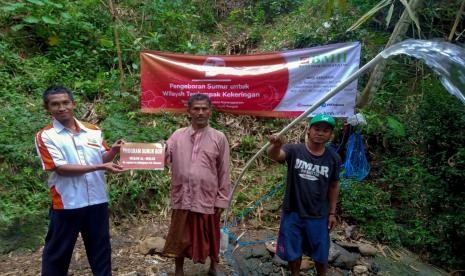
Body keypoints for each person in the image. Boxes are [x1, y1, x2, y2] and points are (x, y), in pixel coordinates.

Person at [35, 85, 125, 276]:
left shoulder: (92, 130)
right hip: (67, 203)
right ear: (47, 108)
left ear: (73, 104)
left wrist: (114, 152)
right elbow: (60, 168)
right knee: (58, 254)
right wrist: (100, 167)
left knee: (100, 250)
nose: (62, 108)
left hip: (97, 200)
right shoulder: (46, 136)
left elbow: (102, 157)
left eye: (66, 102)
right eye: (55, 104)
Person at [163, 93, 231, 276]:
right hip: (182, 195)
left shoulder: (219, 137)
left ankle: (214, 266)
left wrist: (222, 199)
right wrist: (157, 150)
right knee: (180, 235)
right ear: (189, 111)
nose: (200, 112)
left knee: (211, 234)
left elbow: (224, 171)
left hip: (207, 196)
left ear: (210, 111)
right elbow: (164, 156)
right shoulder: (177, 135)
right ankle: (179, 269)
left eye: (204, 109)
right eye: (196, 109)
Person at [267, 113, 341, 276]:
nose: (320, 133)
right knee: (293, 251)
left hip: (319, 215)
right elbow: (274, 155)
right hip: (293, 212)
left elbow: (334, 185)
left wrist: (332, 213)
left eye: (326, 130)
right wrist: (276, 145)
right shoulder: (294, 150)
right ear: (308, 130)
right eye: (317, 128)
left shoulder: (333, 158)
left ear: (330, 135)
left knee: (321, 253)